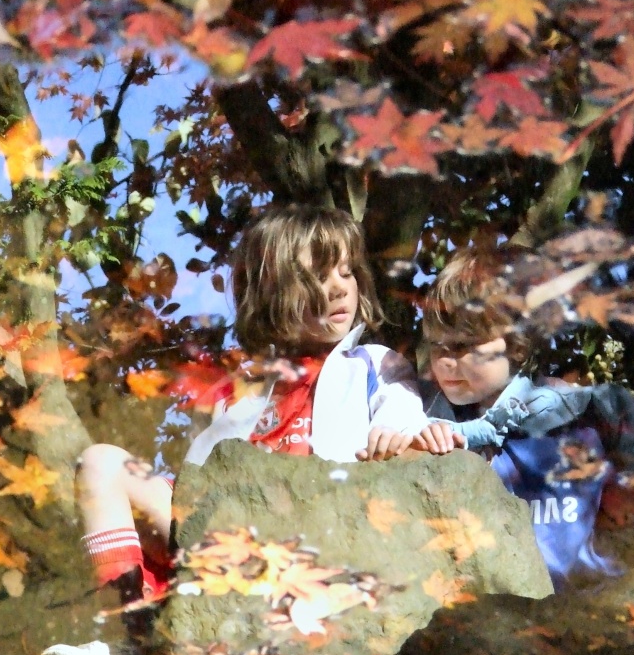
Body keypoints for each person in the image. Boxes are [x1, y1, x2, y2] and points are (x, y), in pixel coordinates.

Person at [77, 205, 457, 608]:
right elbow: (195, 480)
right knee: (101, 462)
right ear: (271, 292)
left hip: (311, 530)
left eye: (346, 272)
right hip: (222, 531)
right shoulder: (240, 386)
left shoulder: (371, 364)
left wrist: (392, 436)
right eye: (317, 276)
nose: (339, 288)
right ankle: (121, 627)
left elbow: (401, 413)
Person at [417, 245, 634, 590]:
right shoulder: (427, 427)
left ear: (517, 341)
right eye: (438, 345)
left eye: (463, 345)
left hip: (599, 605)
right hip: (499, 618)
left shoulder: (593, 413)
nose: (445, 360)